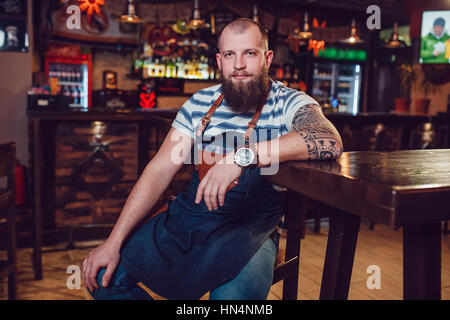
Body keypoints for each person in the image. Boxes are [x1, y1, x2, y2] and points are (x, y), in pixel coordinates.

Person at [81, 18, 343, 300]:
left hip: (250, 229)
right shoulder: (199, 104)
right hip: (189, 220)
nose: (239, 64)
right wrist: (113, 240)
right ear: (219, 61)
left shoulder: (288, 103)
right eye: (230, 54)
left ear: (267, 58)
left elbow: (328, 139)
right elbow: (158, 171)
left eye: (249, 53)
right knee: (102, 278)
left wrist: (241, 157)